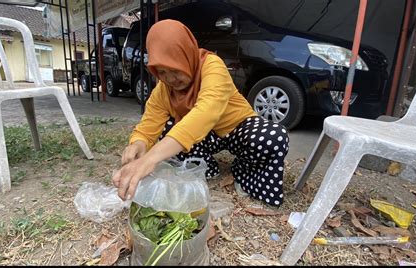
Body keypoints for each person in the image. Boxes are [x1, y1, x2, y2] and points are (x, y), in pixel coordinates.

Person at [112, 19, 289, 207]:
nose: (170, 78)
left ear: (186, 55)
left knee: (272, 137)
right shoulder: (163, 89)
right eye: (161, 72)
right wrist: (138, 144)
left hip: (237, 128)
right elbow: (149, 124)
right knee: (168, 127)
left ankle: (244, 170)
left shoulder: (212, 66)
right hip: (203, 138)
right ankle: (206, 167)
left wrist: (151, 158)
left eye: (175, 69)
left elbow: (206, 112)